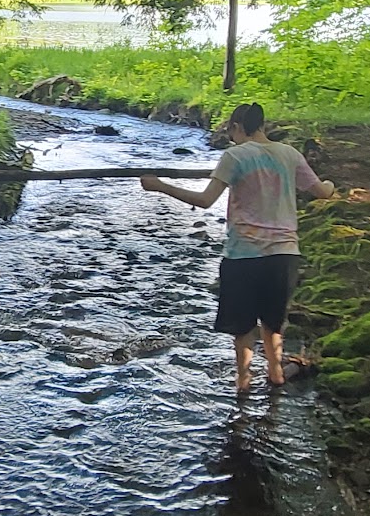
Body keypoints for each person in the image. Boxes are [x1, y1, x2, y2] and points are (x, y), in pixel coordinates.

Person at [140, 102, 335, 393]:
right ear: (263, 126)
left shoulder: (234, 156)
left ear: (236, 127)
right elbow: (321, 192)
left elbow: (205, 200)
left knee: (243, 325)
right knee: (273, 319)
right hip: (284, 254)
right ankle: (275, 373)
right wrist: (331, 185)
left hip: (244, 253)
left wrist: (161, 186)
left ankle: (243, 381)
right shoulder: (289, 154)